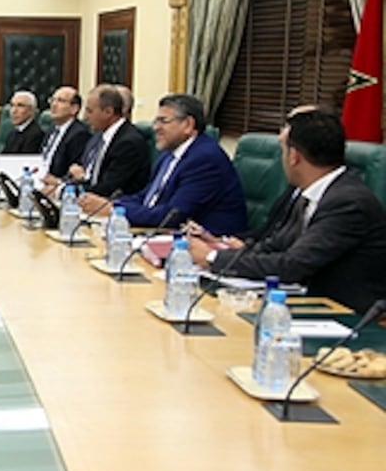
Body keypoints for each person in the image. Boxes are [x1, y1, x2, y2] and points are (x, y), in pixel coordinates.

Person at [189, 107, 386, 313]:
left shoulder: (348, 202)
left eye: (282, 150)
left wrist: (212, 257)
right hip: (306, 302)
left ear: (293, 156)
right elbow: (275, 245)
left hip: (345, 315)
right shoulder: (311, 193)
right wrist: (225, 249)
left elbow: (291, 266)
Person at [80, 93, 246, 235]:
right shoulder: (169, 154)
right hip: (162, 234)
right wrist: (109, 205)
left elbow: (172, 216)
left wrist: (111, 210)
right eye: (155, 121)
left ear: (188, 125)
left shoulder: (204, 159)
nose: (155, 128)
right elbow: (146, 197)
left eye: (163, 121)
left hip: (207, 247)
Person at [68, 85, 150, 198]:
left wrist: (64, 191)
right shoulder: (99, 136)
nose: (85, 117)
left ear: (108, 112)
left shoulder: (128, 143)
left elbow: (107, 188)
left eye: (89, 111)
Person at [39, 87, 91, 180]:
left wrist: (58, 182)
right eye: (52, 100)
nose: (54, 105)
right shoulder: (51, 130)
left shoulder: (79, 134)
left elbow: (74, 171)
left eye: (60, 101)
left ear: (74, 108)